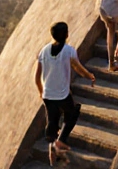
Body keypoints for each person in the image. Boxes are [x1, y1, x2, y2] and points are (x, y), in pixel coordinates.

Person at [34, 21, 96, 165]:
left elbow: (37, 76)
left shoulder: (44, 51)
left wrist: (40, 91)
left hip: (48, 94)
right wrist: (90, 76)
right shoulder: (69, 51)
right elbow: (78, 68)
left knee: (52, 122)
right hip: (62, 94)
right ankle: (59, 143)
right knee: (72, 114)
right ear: (67, 34)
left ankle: (53, 150)